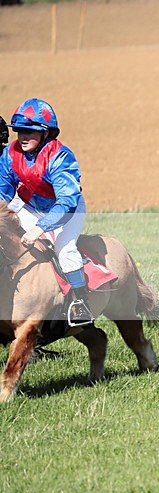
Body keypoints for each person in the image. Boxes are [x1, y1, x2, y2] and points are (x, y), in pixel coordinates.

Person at [0, 98, 93, 326]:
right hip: (30, 205)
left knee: (65, 249)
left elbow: (66, 202)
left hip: (67, 210)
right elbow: (3, 194)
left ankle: (81, 304)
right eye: (20, 131)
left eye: (29, 132)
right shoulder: (10, 154)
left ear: (45, 133)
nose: (22, 137)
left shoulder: (60, 156)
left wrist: (39, 229)